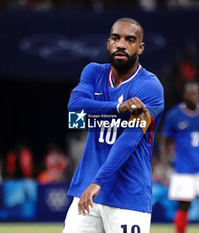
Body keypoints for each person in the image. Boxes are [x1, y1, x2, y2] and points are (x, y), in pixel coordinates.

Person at [63, 18, 164, 233]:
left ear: (140, 48)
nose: (121, 44)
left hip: (127, 195)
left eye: (130, 40)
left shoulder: (150, 87)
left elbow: (128, 141)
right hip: (86, 191)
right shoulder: (93, 72)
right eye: (116, 38)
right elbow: (74, 110)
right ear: (108, 42)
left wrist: (97, 182)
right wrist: (118, 108)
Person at [161, 82, 199, 233]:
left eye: (197, 93)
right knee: (184, 206)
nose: (195, 97)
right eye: (191, 94)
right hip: (183, 168)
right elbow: (165, 142)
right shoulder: (173, 115)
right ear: (184, 96)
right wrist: (166, 165)